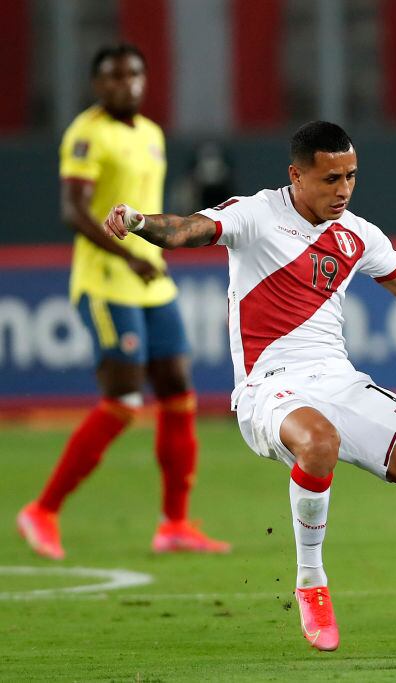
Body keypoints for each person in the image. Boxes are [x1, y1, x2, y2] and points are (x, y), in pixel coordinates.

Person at [101, 121, 396, 655]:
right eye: (329, 179)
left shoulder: (357, 234)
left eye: (351, 176)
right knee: (319, 442)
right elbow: (184, 230)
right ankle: (311, 582)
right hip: (267, 388)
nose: (342, 190)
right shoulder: (254, 214)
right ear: (296, 175)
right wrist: (136, 221)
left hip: (338, 380)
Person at [16, 44, 229, 560]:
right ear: (97, 85)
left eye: (134, 74)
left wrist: (150, 252)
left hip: (152, 280)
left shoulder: (152, 135)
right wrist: (126, 256)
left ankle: (174, 524)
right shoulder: (88, 133)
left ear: (145, 79)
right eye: (113, 77)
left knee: (178, 389)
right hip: (108, 279)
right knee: (124, 398)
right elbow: (73, 210)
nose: (126, 84)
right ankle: (42, 510)